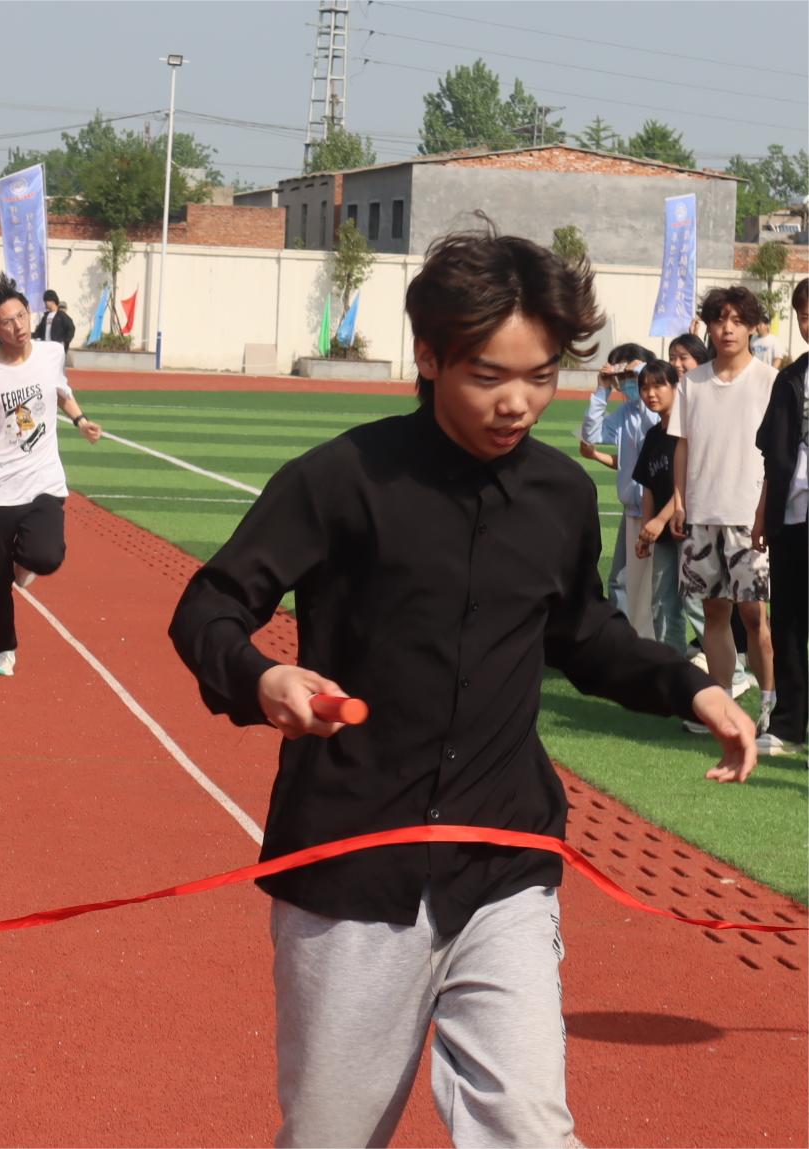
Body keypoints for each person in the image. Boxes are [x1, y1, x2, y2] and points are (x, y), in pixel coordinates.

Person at [168, 224, 753, 1148]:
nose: (519, 401)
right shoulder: (339, 481)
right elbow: (208, 608)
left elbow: (584, 634)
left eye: (542, 374)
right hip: (353, 867)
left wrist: (690, 687)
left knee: (528, 1127)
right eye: (489, 375)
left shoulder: (561, 496)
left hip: (504, 862)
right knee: (332, 1133)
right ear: (430, 356)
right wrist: (261, 675)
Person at [0, 272, 102, 676]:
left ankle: (24, 564)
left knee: (46, 556)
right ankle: (4, 650)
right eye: (8, 321)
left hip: (43, 478)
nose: (19, 325)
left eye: (22, 315)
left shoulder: (50, 354)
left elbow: (61, 390)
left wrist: (80, 421)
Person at [670, 285, 782, 752]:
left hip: (747, 515)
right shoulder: (691, 383)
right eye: (719, 320)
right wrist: (679, 500)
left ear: (752, 325)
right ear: (709, 326)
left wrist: (765, 511)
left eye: (737, 319)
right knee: (713, 613)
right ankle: (722, 707)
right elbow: (682, 443)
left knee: (755, 615)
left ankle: (772, 708)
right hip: (701, 514)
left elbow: (777, 454)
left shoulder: (768, 381)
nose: (727, 328)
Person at [751, 277, 809, 752]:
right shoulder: (790, 378)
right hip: (791, 516)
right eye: (804, 315)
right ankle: (788, 725)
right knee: (789, 620)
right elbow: (772, 455)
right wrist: (763, 516)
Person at [579, 341, 658, 625]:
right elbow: (592, 433)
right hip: (632, 511)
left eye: (629, 376)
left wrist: (645, 372)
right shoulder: (625, 415)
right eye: (620, 377)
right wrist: (602, 389)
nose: (626, 383)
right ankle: (622, 641)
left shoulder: (659, 410)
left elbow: (661, 416)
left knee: (661, 587)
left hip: (659, 511)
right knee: (621, 582)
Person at [631, 360, 688, 652]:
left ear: (675, 386)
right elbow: (648, 485)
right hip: (663, 534)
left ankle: (733, 675)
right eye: (644, 387)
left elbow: (687, 484)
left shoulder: (686, 431)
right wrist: (646, 529)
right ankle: (675, 670)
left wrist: (660, 521)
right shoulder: (653, 435)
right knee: (663, 603)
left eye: (658, 385)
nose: (650, 393)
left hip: (686, 528)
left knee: (698, 605)